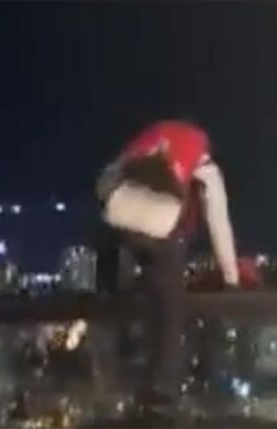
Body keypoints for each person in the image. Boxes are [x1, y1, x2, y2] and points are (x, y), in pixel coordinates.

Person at [94, 120, 239, 412]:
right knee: (170, 305)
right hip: (158, 225)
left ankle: (120, 351)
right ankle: (162, 390)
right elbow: (218, 223)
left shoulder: (156, 136)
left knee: (120, 295)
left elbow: (107, 178)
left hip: (115, 214)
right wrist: (231, 278)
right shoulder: (205, 165)